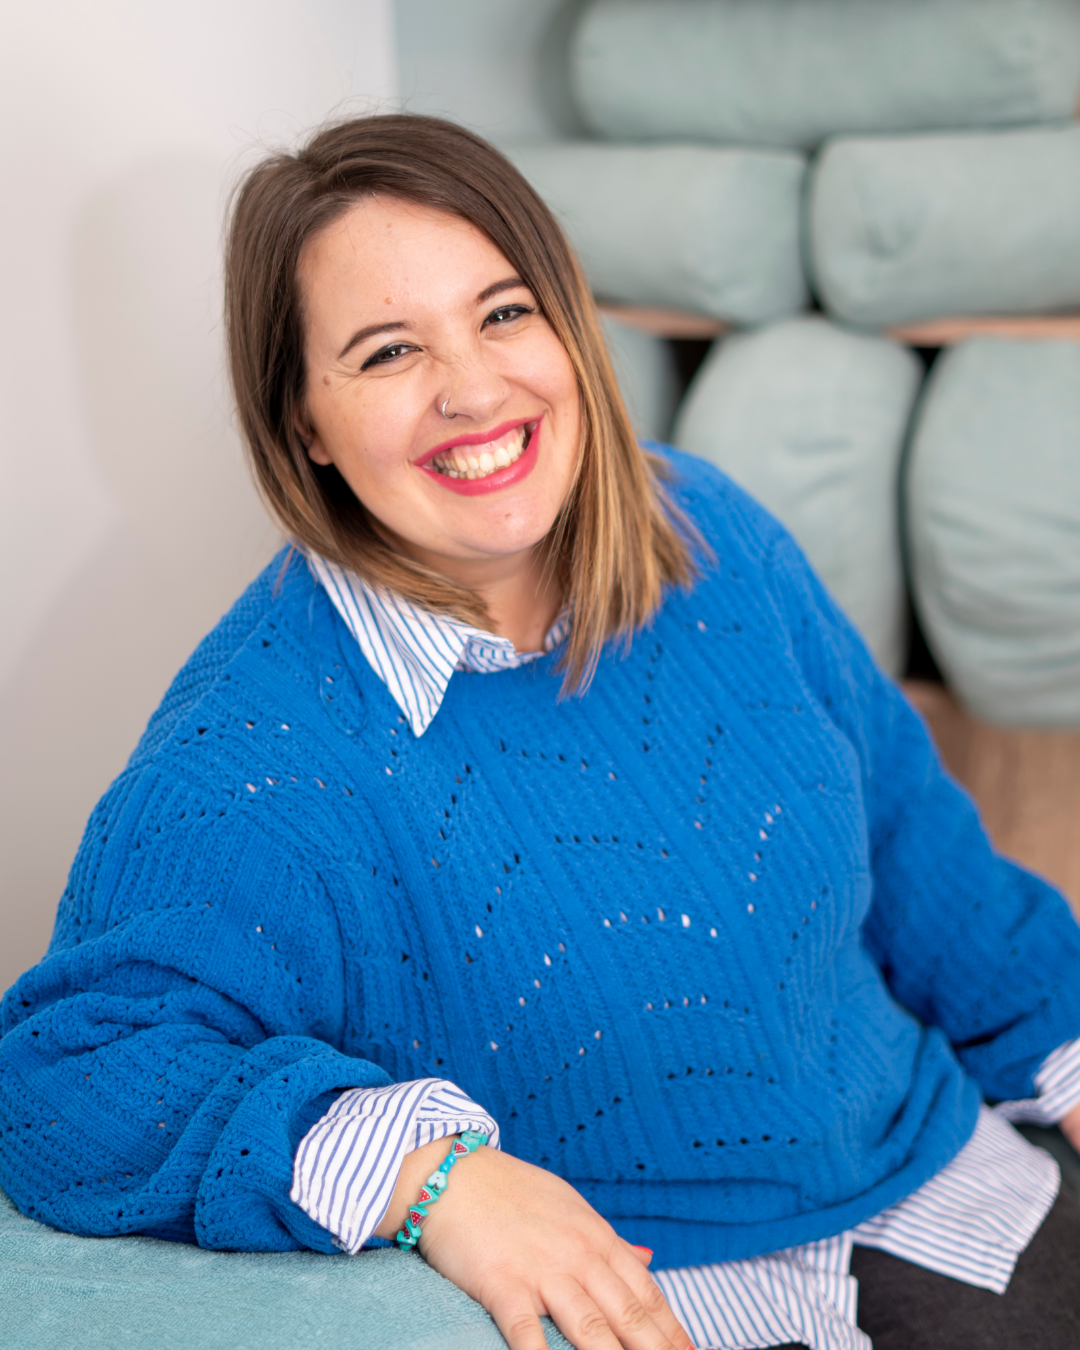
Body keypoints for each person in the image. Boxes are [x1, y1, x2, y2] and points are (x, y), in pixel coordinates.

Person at [1, 114, 1079, 1350]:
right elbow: (60, 1079)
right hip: (657, 1300)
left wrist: (1064, 1035)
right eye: (388, 350)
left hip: (951, 1183)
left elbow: (908, 831)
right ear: (303, 423)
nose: (473, 390)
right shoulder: (253, 756)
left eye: (504, 314)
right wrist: (433, 1179)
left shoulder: (709, 528)